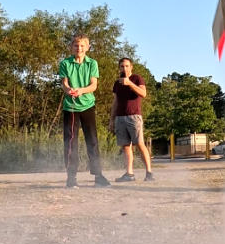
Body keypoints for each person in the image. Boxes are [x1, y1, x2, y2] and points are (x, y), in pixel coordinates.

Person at [59, 34, 110, 188]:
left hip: (88, 105)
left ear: (88, 47)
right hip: (71, 107)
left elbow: (94, 85)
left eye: (82, 45)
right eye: (76, 45)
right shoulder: (65, 63)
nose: (79, 48)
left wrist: (81, 90)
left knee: (92, 140)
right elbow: (64, 83)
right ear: (71, 47)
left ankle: (98, 175)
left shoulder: (92, 63)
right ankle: (71, 177)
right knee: (70, 142)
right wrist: (69, 90)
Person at [111, 57, 154, 182]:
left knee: (140, 144)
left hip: (134, 117)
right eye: (122, 66)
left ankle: (149, 173)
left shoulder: (137, 78)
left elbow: (143, 94)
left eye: (126, 66)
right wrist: (112, 119)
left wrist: (129, 83)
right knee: (125, 146)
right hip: (120, 117)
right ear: (119, 68)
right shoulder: (117, 83)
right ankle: (129, 174)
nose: (124, 68)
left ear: (131, 67)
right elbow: (115, 102)